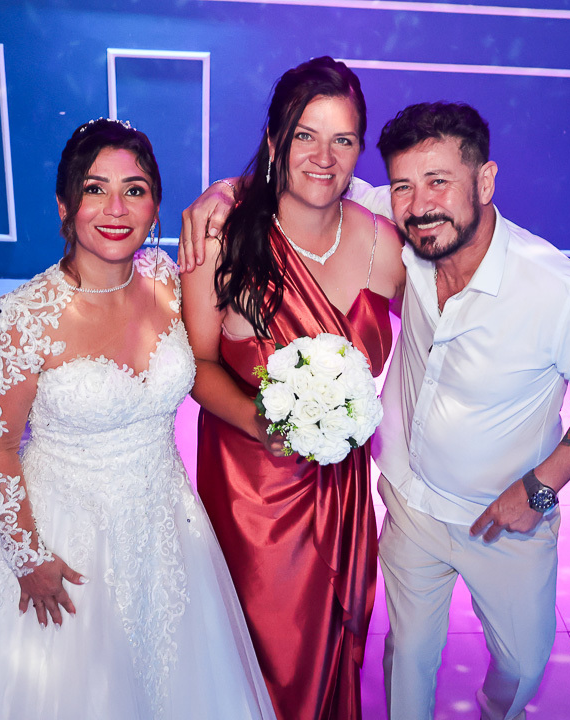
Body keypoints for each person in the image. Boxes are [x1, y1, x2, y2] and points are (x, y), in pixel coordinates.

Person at [182, 101, 570, 720]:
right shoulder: (407, 241)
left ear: (485, 180)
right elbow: (310, 176)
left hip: (501, 518)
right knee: (407, 661)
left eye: (439, 181)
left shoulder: (558, 291)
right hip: (409, 505)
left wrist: (539, 488)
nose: (421, 204)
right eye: (403, 185)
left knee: (522, 665)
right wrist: (221, 191)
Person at [0, 118, 275, 719]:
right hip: (63, 541)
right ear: (64, 205)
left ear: (156, 205)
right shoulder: (21, 317)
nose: (116, 209)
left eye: (135, 190)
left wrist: (220, 190)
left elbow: (270, 201)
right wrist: (29, 558)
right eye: (94, 189)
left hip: (165, 529)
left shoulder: (169, 283)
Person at [179, 57, 405, 720]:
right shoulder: (222, 237)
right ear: (275, 141)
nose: (324, 158)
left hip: (342, 492)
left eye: (343, 140)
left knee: (329, 651)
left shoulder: (386, 245)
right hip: (250, 492)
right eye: (305, 135)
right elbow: (198, 364)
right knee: (257, 656)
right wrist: (261, 423)